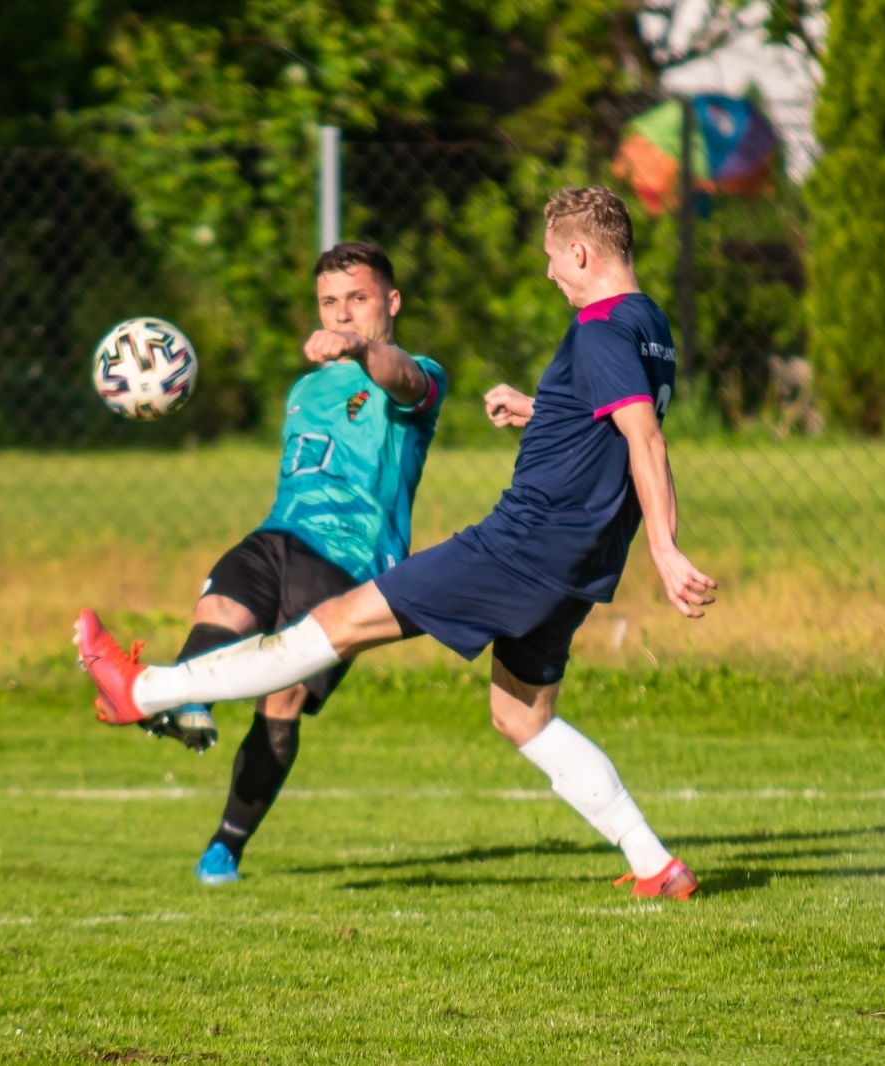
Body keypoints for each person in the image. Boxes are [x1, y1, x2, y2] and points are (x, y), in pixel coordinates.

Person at [76, 186, 716, 900]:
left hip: (523, 544)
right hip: (577, 560)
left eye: (550, 261)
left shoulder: (598, 326)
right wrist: (543, 411)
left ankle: (145, 688)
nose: (548, 276)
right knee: (520, 715)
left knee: (338, 623)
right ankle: (657, 863)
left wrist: (665, 547)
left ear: (579, 251)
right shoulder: (647, 322)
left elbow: (642, 438)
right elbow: (608, 422)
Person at [106, 241, 447, 885]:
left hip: (351, 563)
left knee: (281, 698)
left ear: (391, 302)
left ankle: (226, 846)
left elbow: (402, 379)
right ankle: (185, 700)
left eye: (358, 299)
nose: (342, 314)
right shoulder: (304, 388)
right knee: (220, 607)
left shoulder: (415, 373)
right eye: (329, 303)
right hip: (279, 534)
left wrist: (361, 353)